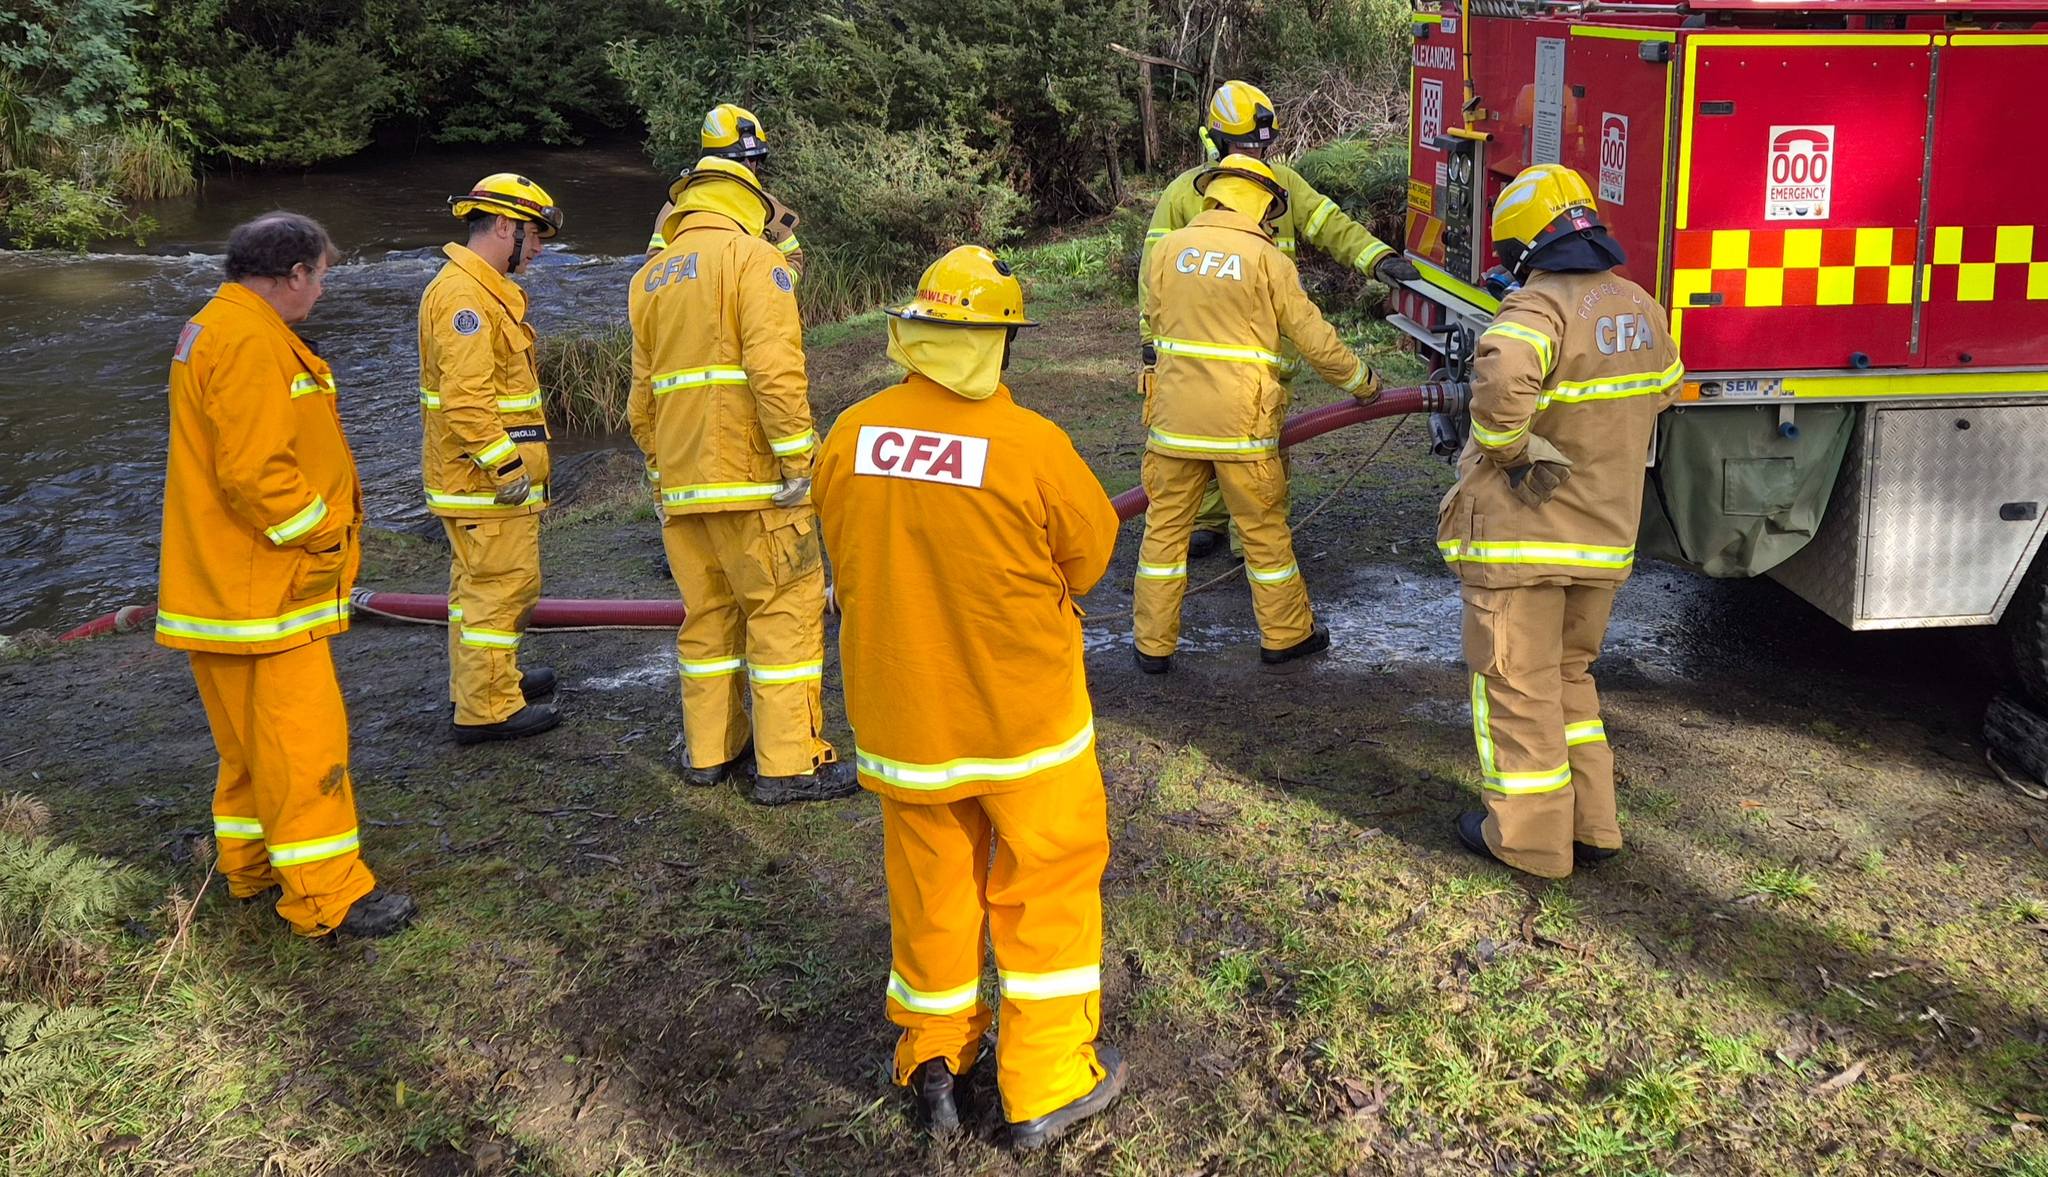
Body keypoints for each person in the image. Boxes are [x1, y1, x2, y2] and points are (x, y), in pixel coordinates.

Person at [812, 245, 1126, 1150]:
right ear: (1000, 343)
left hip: (906, 721)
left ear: (915, 333)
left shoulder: (851, 434)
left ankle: (936, 1065)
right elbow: (1090, 557)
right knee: (1047, 887)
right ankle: (1046, 1082)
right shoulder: (1031, 445)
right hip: (1025, 725)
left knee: (932, 893)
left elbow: (841, 542)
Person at [156, 212, 414, 938]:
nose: (323, 291)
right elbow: (256, 472)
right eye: (321, 276)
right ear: (294, 273)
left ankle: (251, 866)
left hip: (225, 585)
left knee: (248, 747)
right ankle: (328, 897)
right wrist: (324, 535)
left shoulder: (219, 325)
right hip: (265, 589)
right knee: (303, 747)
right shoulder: (247, 339)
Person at [1441, 164, 1683, 878]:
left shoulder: (1537, 309)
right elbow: (1666, 388)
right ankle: (1592, 826)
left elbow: (1502, 382)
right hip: (1602, 542)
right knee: (1569, 676)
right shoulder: (1639, 305)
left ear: (1521, 248)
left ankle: (1529, 842)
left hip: (1523, 544)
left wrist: (1517, 448)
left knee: (1516, 685)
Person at [627, 156, 854, 805]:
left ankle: (711, 752)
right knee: (784, 615)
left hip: (683, 488)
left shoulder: (649, 277)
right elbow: (775, 373)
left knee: (707, 620)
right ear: (747, 202)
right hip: (756, 485)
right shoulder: (756, 259)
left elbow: (641, 400)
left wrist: (661, 476)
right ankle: (789, 764)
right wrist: (799, 463)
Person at [1140, 79, 1419, 559]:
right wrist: (1151, 341)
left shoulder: (1281, 186)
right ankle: (1209, 521)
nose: (1255, 156)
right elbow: (1153, 274)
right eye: (1245, 146)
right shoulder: (1184, 194)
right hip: (1195, 353)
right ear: (1216, 142)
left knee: (1259, 457)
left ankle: (1249, 538)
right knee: (1199, 445)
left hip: (1261, 360)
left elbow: (1330, 225)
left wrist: (1379, 259)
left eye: (1260, 147)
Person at [1133, 154, 1382, 674]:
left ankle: (1152, 647)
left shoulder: (1169, 250)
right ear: (1263, 205)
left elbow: (1154, 324)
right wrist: (1362, 382)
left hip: (1173, 423)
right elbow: (1312, 337)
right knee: (1263, 534)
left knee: (1163, 535)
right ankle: (1286, 636)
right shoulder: (1266, 259)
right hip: (1241, 429)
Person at [419, 174, 564, 745]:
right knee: (503, 589)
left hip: (473, 480)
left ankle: (484, 682)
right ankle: (487, 708)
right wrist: (507, 468)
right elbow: (466, 400)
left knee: (475, 592)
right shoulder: (465, 298)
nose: (539, 249)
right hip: (486, 484)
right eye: (536, 235)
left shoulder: (476, 290)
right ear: (505, 226)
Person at [645, 102, 804, 277]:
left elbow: (793, 260)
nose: (748, 165)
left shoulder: (770, 208)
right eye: (738, 159)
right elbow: (654, 267)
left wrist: (770, 284)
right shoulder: (678, 207)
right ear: (713, 159)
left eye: (754, 158)